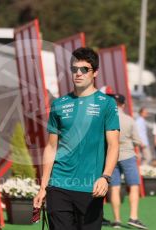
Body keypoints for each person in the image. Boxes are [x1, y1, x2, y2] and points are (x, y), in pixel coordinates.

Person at [33, 47, 120, 230]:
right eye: (74, 69)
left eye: (84, 69)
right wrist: (43, 187)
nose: (78, 73)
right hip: (58, 186)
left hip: (91, 189)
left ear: (95, 72)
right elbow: (50, 148)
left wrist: (105, 177)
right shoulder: (59, 104)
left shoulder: (107, 104)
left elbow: (113, 145)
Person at [109, 94, 147, 229]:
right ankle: (133, 217)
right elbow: (137, 140)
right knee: (134, 185)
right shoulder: (129, 120)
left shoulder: (106, 119)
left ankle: (117, 220)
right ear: (123, 104)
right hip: (128, 155)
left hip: (111, 157)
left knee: (114, 187)